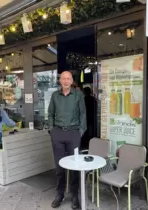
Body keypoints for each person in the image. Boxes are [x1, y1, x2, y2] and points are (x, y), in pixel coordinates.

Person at [48, 71, 87, 209]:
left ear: (71, 81)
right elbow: (50, 114)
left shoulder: (78, 95)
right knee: (59, 166)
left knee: (75, 165)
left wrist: (80, 132)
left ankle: (74, 195)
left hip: (73, 133)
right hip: (58, 133)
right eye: (63, 78)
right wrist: (52, 130)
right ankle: (59, 194)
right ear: (60, 80)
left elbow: (83, 114)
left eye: (68, 78)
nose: (65, 81)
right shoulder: (55, 96)